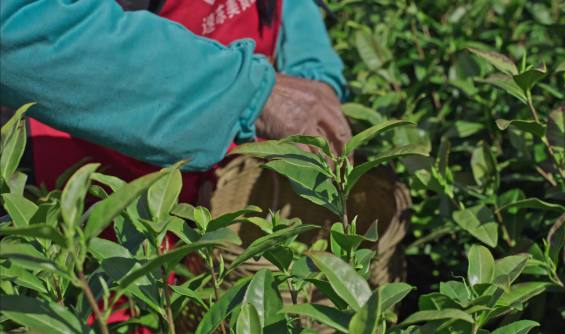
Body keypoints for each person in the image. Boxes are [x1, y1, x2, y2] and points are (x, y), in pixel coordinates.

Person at [0, 0, 351, 203]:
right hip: (100, 168)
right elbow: (20, 26)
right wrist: (244, 93)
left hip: (235, 145)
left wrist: (313, 78)